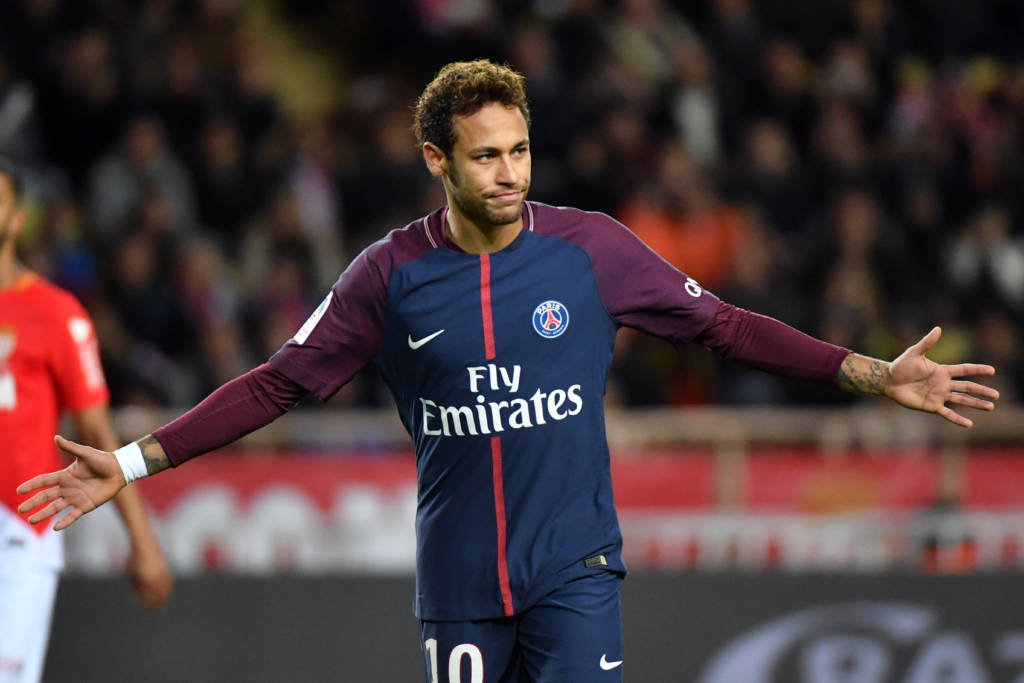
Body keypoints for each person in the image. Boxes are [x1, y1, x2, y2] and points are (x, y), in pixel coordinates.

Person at [17, 61, 999, 683]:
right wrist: (133, 462)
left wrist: (872, 372)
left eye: (521, 150)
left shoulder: (591, 250)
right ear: (437, 161)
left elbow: (725, 327)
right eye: (486, 156)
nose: (510, 173)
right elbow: (277, 383)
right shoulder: (387, 276)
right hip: (458, 584)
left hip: (574, 569)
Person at [0, 158, 172, 683]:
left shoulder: (56, 314)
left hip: (18, 528)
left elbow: (97, 434)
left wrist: (142, 541)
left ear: (17, 219)